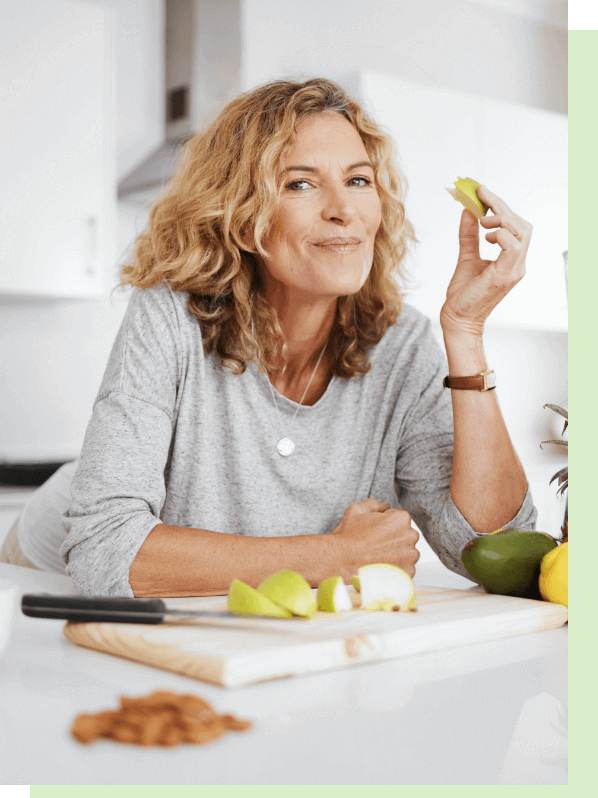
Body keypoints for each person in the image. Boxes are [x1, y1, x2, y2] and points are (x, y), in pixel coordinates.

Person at [3, 77, 536, 596]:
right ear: (242, 221)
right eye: (299, 183)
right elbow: (103, 552)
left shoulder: (403, 346)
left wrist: (465, 333)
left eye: (358, 180)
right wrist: (335, 556)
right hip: (46, 562)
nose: (343, 209)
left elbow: (496, 550)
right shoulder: (169, 317)